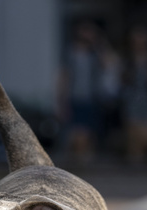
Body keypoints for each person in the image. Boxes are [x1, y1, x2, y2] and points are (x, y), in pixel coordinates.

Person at [59, 21, 102, 164]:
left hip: (91, 98)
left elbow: (110, 62)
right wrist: (62, 100)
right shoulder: (71, 53)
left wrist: (99, 43)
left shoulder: (95, 53)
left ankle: (81, 161)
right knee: (76, 133)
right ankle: (75, 162)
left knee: (87, 134)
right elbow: (65, 77)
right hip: (75, 97)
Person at [121, 26, 147, 164]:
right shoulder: (128, 59)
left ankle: (143, 154)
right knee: (134, 128)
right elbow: (123, 78)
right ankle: (136, 158)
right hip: (133, 96)